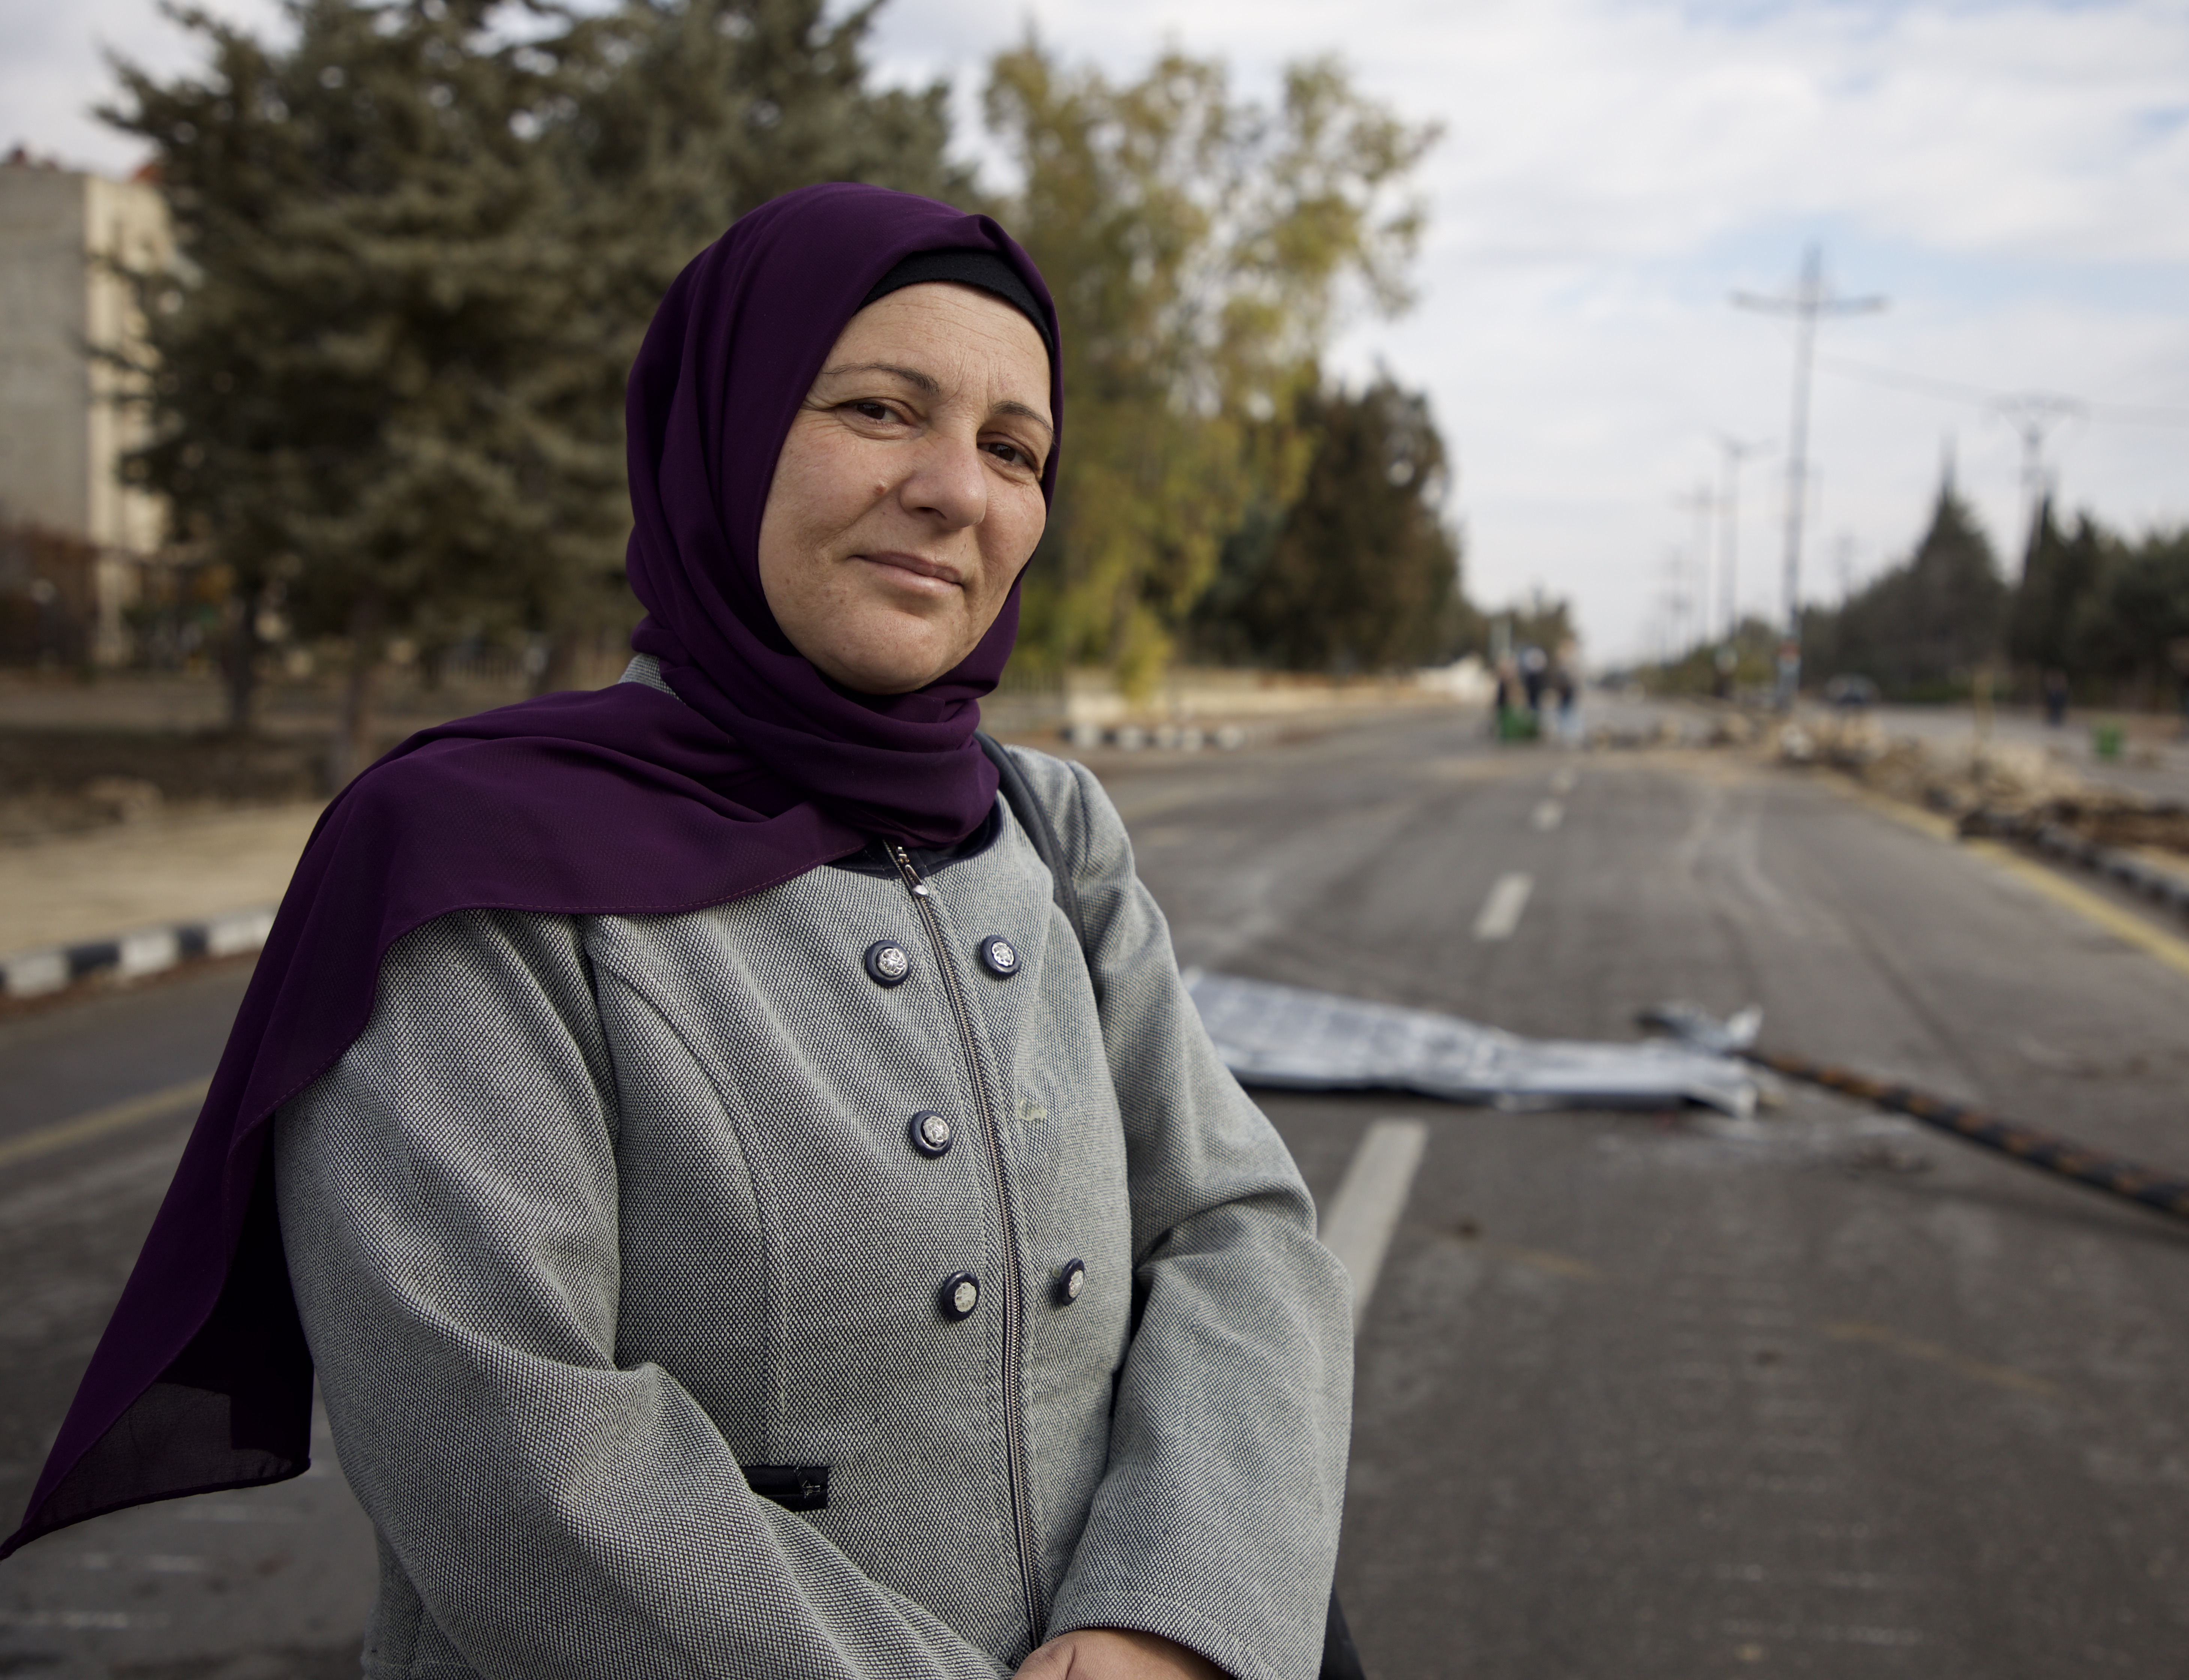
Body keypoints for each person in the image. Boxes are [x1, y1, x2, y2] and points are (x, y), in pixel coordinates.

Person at [4, 186, 1352, 1680]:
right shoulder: (476, 861)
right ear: (726, 423)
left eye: (1013, 448)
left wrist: (1175, 1622)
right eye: (882, 407)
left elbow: (1235, 1229)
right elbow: (513, 1462)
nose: (956, 490)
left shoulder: (1050, 830)